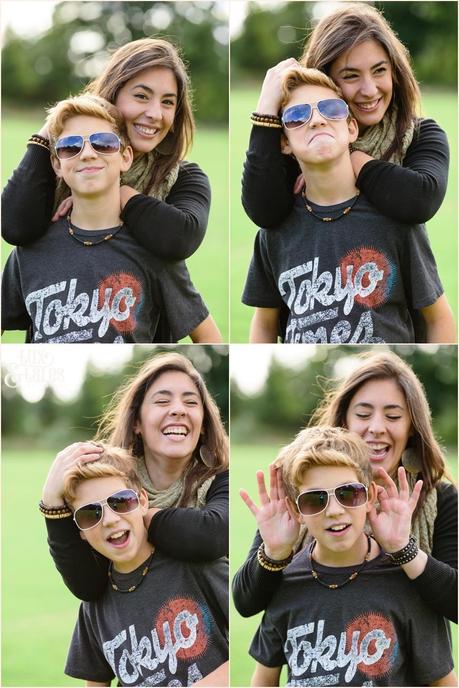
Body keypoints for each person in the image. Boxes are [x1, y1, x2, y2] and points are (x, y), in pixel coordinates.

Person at [2, 38, 216, 342]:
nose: (155, 113)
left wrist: (119, 197)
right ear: (111, 96)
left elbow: (180, 237)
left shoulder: (183, 176)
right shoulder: (71, 163)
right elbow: (15, 225)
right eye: (142, 96)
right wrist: (53, 128)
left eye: (168, 102)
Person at [233, 350, 457, 623]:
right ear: (344, 421)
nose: (376, 427)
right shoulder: (302, 490)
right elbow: (246, 604)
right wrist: (275, 552)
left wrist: (403, 549)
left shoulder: (441, 499)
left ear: (412, 427)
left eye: (393, 416)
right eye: (363, 414)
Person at [242, 66, 455, 344]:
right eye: (297, 116)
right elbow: (264, 324)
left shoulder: (395, 221)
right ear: (284, 143)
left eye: (330, 108)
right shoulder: (274, 232)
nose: (317, 120)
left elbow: (438, 318)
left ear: (351, 127)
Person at [247, 426, 456, 687]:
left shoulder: (407, 584)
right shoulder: (283, 583)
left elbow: (444, 683)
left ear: (369, 497)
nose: (334, 511)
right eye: (315, 499)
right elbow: (264, 679)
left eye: (348, 494)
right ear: (296, 510)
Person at [39, 351, 229, 600]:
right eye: (162, 401)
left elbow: (211, 535)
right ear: (137, 422)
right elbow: (88, 585)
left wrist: (137, 514)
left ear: (203, 424)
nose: (178, 410)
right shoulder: (110, 480)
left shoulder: (221, 479)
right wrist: (51, 503)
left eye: (191, 402)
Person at [242, 2, 449, 229]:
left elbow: (420, 201)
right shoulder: (302, 136)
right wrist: (265, 112)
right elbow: (265, 213)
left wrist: (345, 158)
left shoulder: (420, 134)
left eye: (379, 70)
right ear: (326, 80)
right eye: (351, 76)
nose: (369, 90)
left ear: (394, 72)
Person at [62, 445, 228, 686]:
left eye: (120, 502)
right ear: (81, 533)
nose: (110, 520)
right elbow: (95, 682)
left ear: (141, 501)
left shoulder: (194, 565)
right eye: (90, 514)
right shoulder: (94, 600)